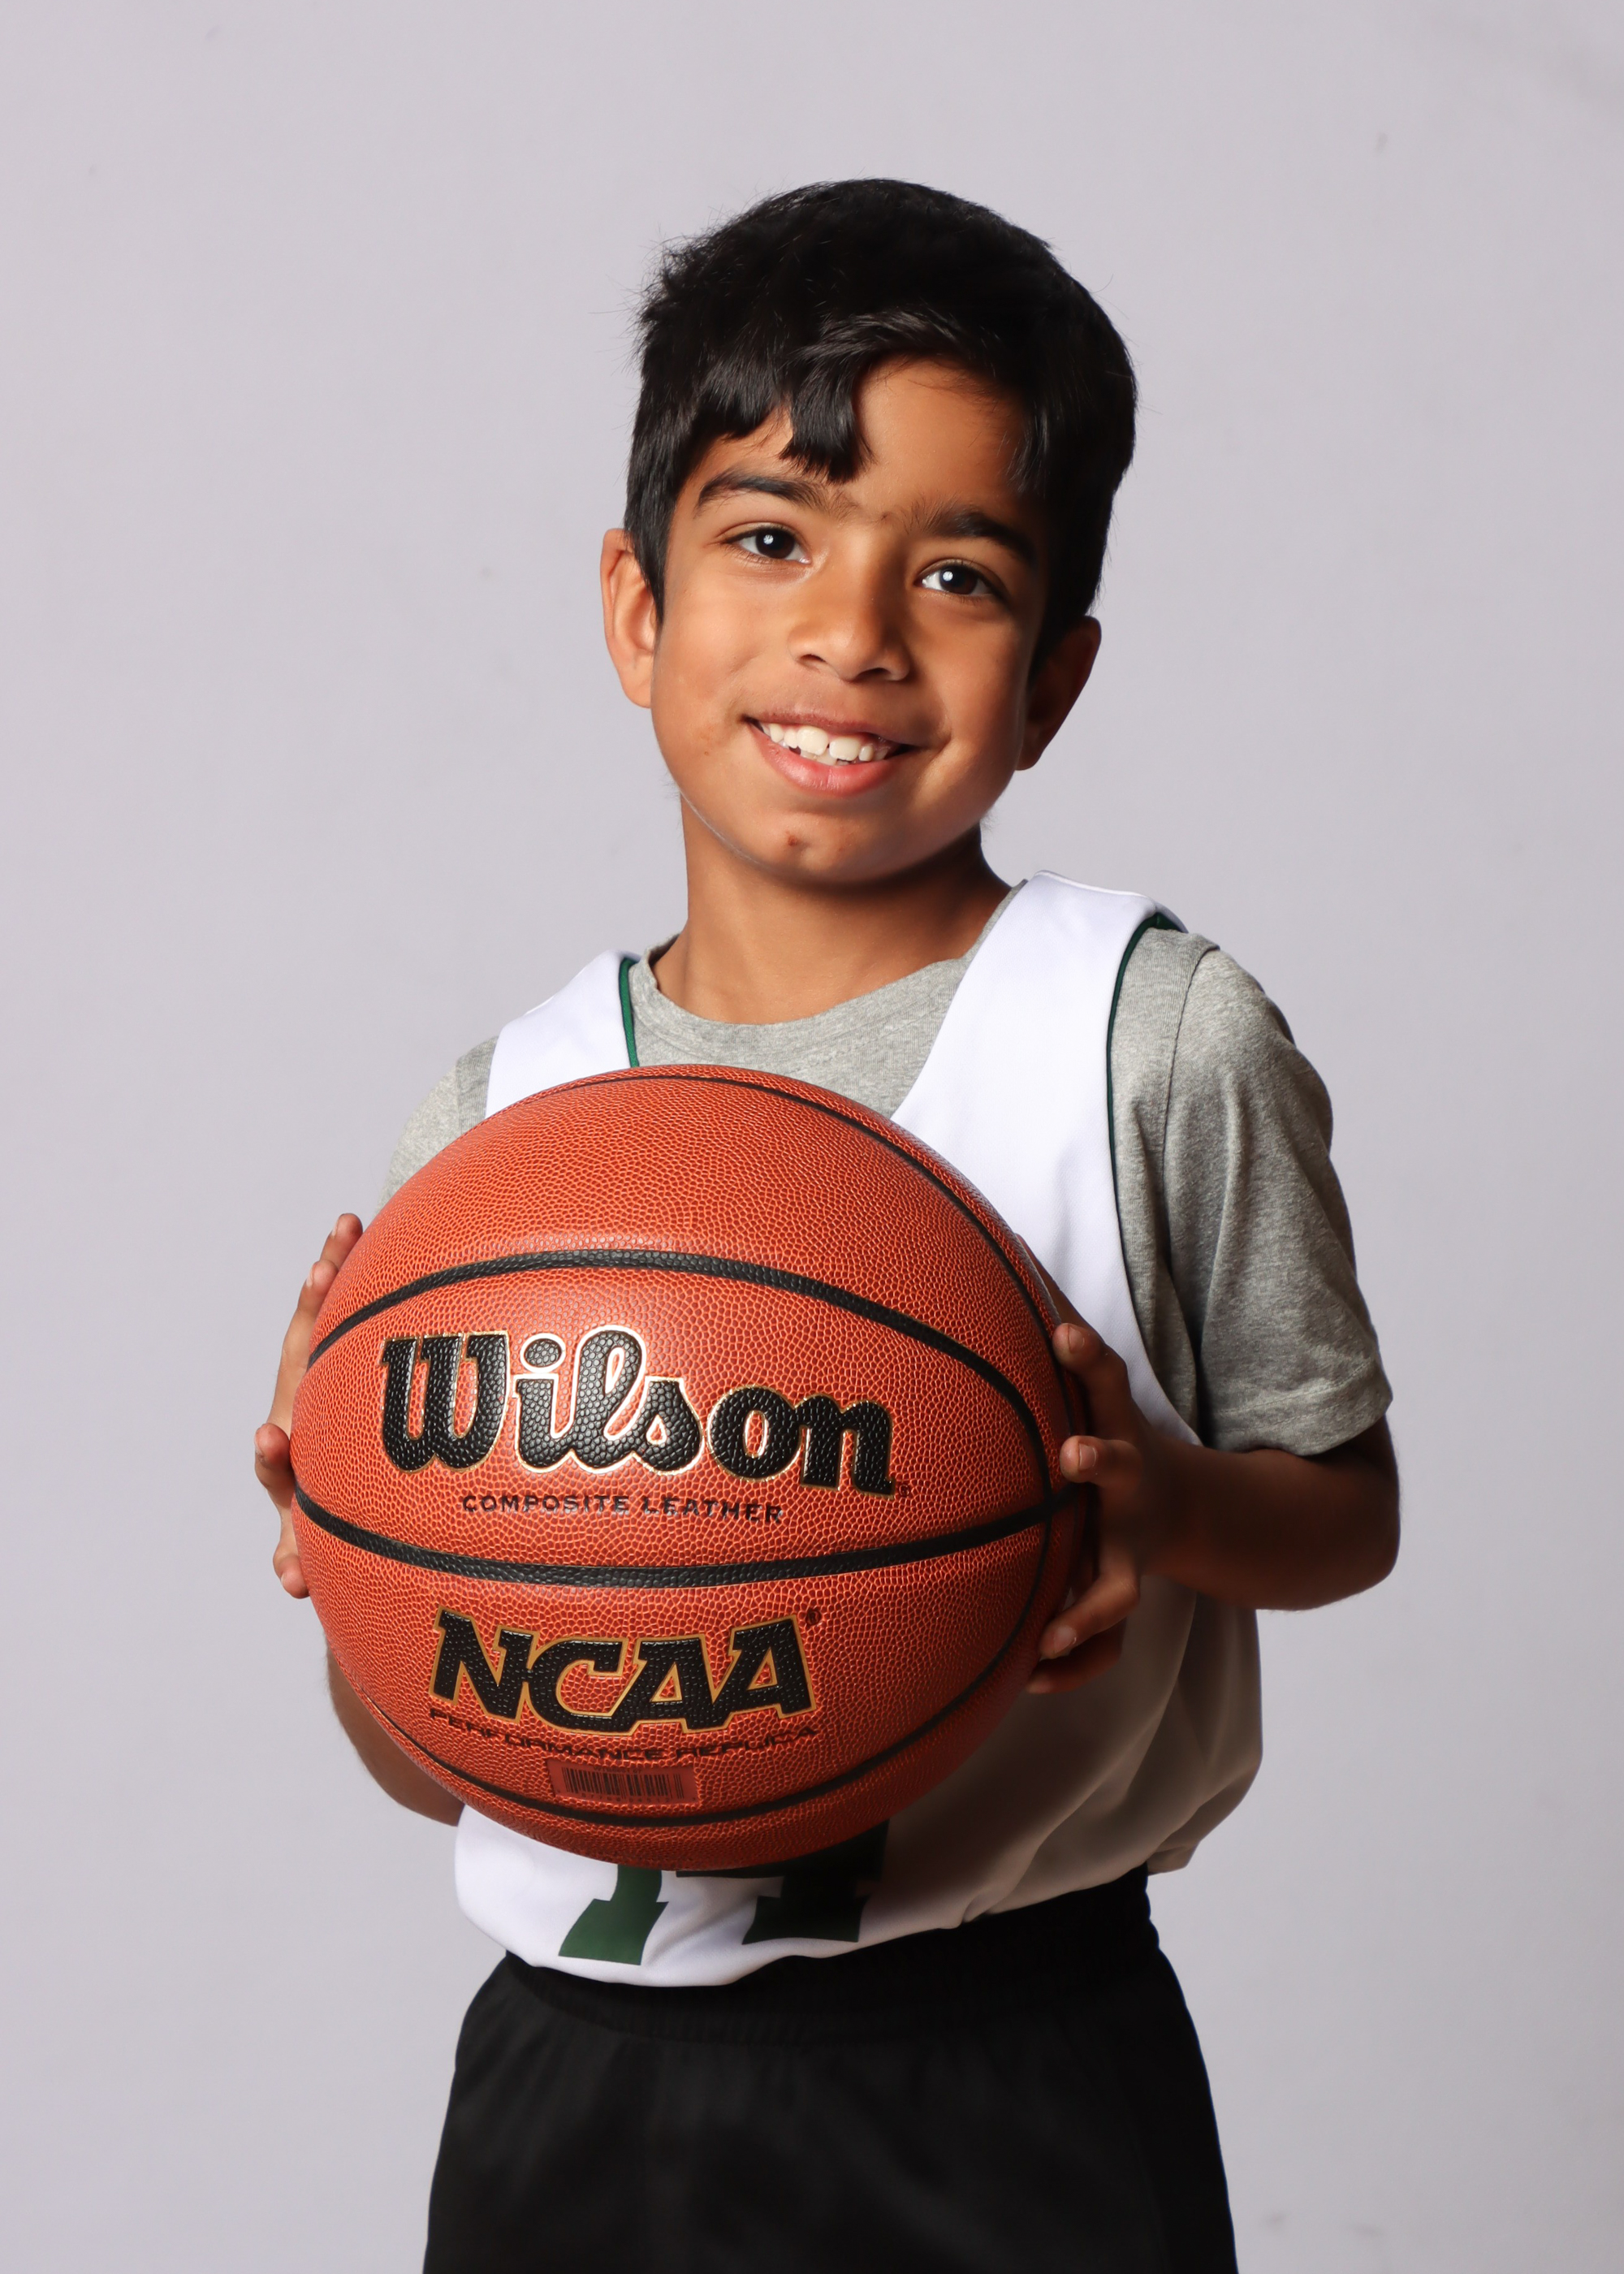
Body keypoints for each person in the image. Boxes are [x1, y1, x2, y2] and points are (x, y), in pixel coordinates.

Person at [255, 179, 1397, 2272]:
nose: (852, 634)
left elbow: (1348, 1512)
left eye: (954, 574)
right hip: (577, 2072)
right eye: (772, 537)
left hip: (1011, 2055)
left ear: (1052, 679)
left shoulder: (1149, 1035)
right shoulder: (499, 1128)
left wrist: (1154, 1508)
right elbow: (434, 1767)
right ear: (636, 608)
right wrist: (363, 1556)